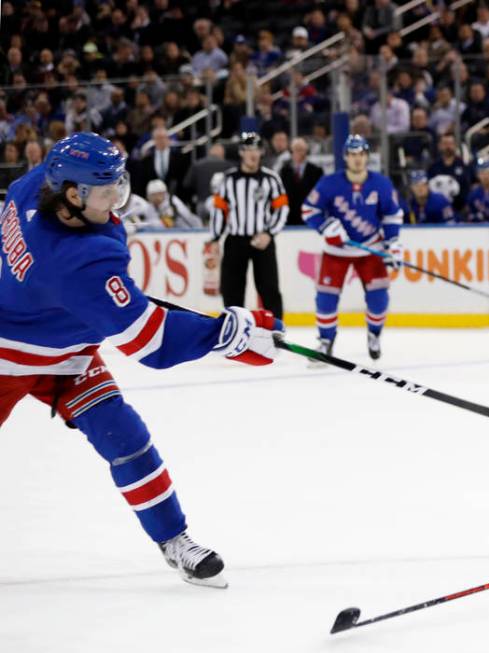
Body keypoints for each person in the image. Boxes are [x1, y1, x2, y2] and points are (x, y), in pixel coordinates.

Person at [0, 132, 284, 588]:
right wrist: (226, 333)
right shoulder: (79, 259)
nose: (117, 197)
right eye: (107, 188)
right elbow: (150, 343)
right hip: (8, 359)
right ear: (73, 195)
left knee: (125, 436)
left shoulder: (35, 184)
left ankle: (175, 540)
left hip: (68, 354)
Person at [301, 135, 404, 360]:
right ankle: (326, 340)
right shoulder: (329, 183)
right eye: (353, 155)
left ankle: (374, 334)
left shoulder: (381, 184)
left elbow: (392, 215)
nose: (357, 159)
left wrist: (393, 243)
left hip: (369, 249)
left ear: (367, 156)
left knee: (379, 299)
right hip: (336, 251)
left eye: (361, 155)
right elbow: (309, 210)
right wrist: (326, 226)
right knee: (325, 298)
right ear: (345, 157)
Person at [210, 132, 288, 319]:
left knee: (269, 288)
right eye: (247, 149)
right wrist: (215, 239)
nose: (252, 154)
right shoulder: (228, 179)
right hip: (235, 241)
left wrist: (269, 234)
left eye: (256, 149)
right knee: (232, 290)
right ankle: (234, 329)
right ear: (241, 152)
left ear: (261, 152)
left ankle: (275, 330)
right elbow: (219, 211)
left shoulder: (271, 179)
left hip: (263, 240)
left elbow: (282, 209)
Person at [279, 138, 324, 227]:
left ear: (307, 151)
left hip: (310, 217)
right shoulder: (284, 171)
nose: (300, 153)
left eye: (302, 150)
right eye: (296, 150)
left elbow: (320, 195)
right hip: (289, 219)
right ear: (291, 152)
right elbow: (281, 194)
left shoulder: (316, 171)